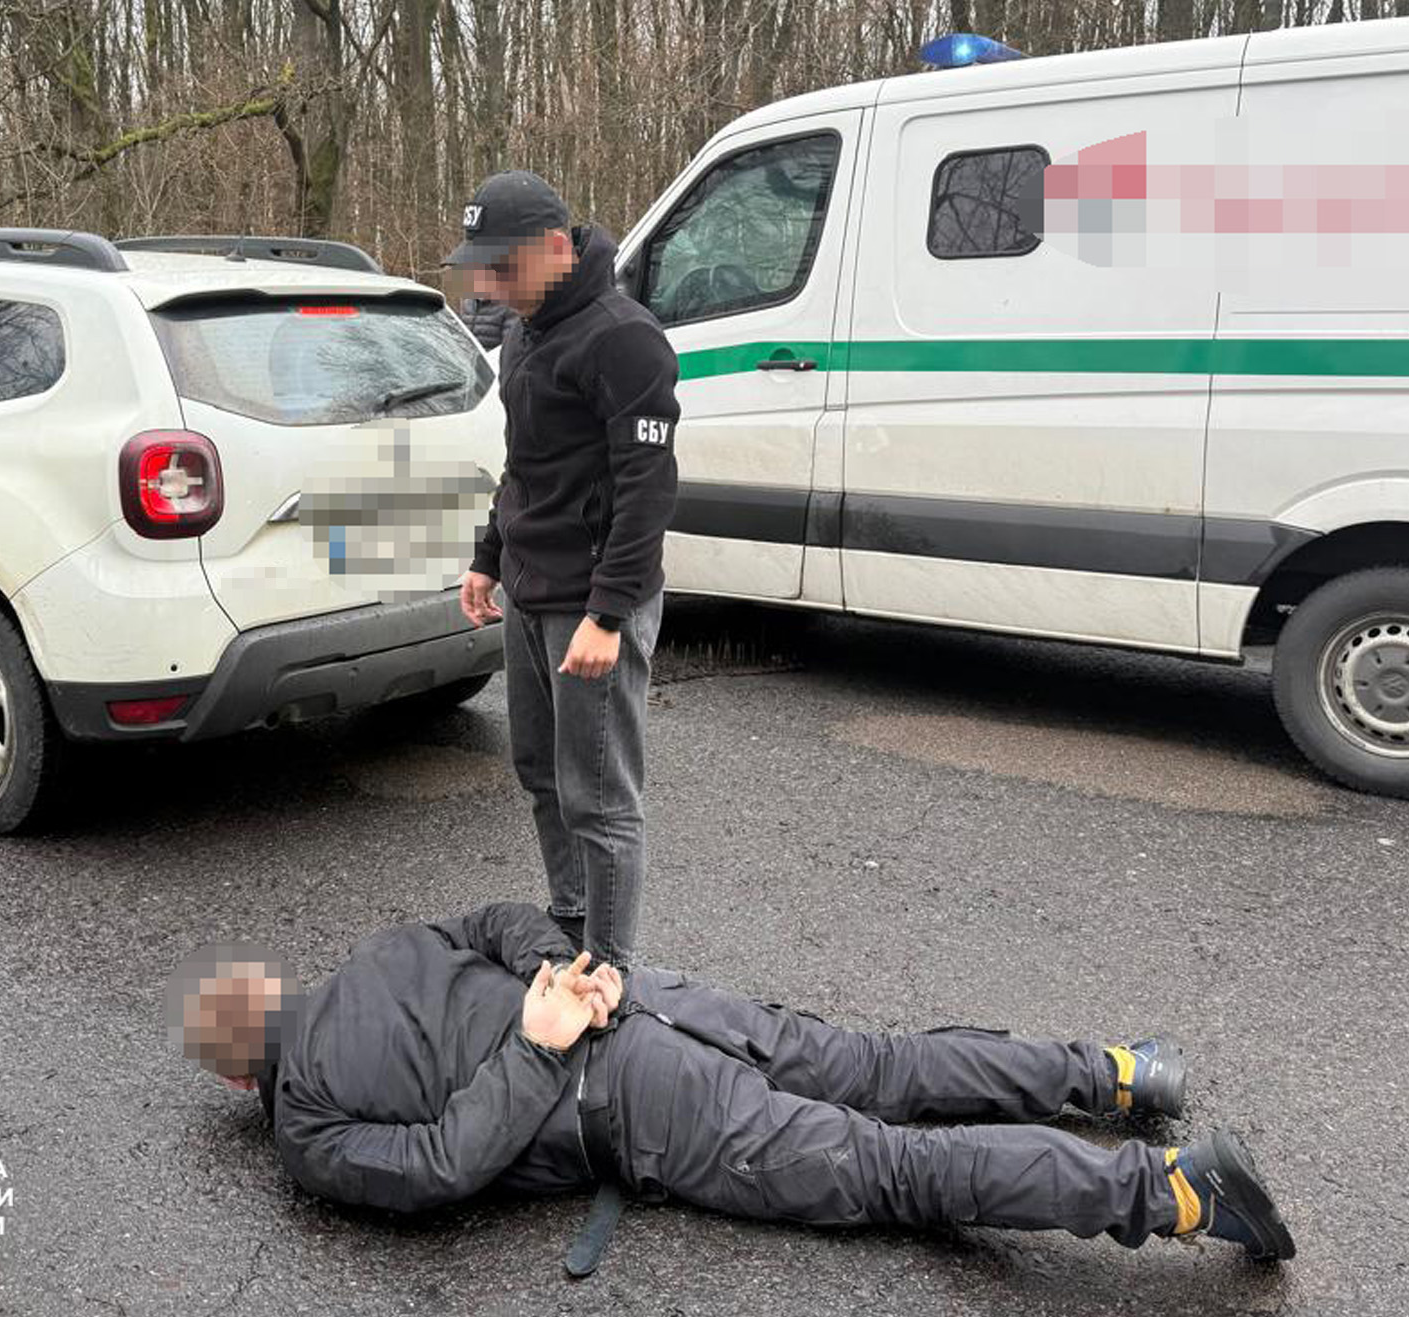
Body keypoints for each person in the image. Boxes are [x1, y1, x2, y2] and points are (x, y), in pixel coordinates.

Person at [168, 904, 1296, 1263]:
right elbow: (502, 919)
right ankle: (1120, 1072)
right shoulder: (379, 949)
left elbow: (441, 1167)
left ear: (232, 1075)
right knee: (884, 1063)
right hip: (654, 1004)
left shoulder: (305, 1128)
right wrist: (565, 973)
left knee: (892, 1168)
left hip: (635, 1099)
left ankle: (1174, 1192)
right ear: (272, 988)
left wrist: (542, 1036)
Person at [449, 170, 681, 968]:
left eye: (503, 268)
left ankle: (609, 972)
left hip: (591, 602)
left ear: (555, 247)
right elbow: (525, 464)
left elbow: (648, 491)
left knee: (600, 797)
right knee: (540, 772)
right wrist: (488, 556)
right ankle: (573, 920)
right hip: (529, 589)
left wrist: (608, 614)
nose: (488, 287)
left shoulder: (624, 338)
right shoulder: (525, 333)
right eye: (480, 269)